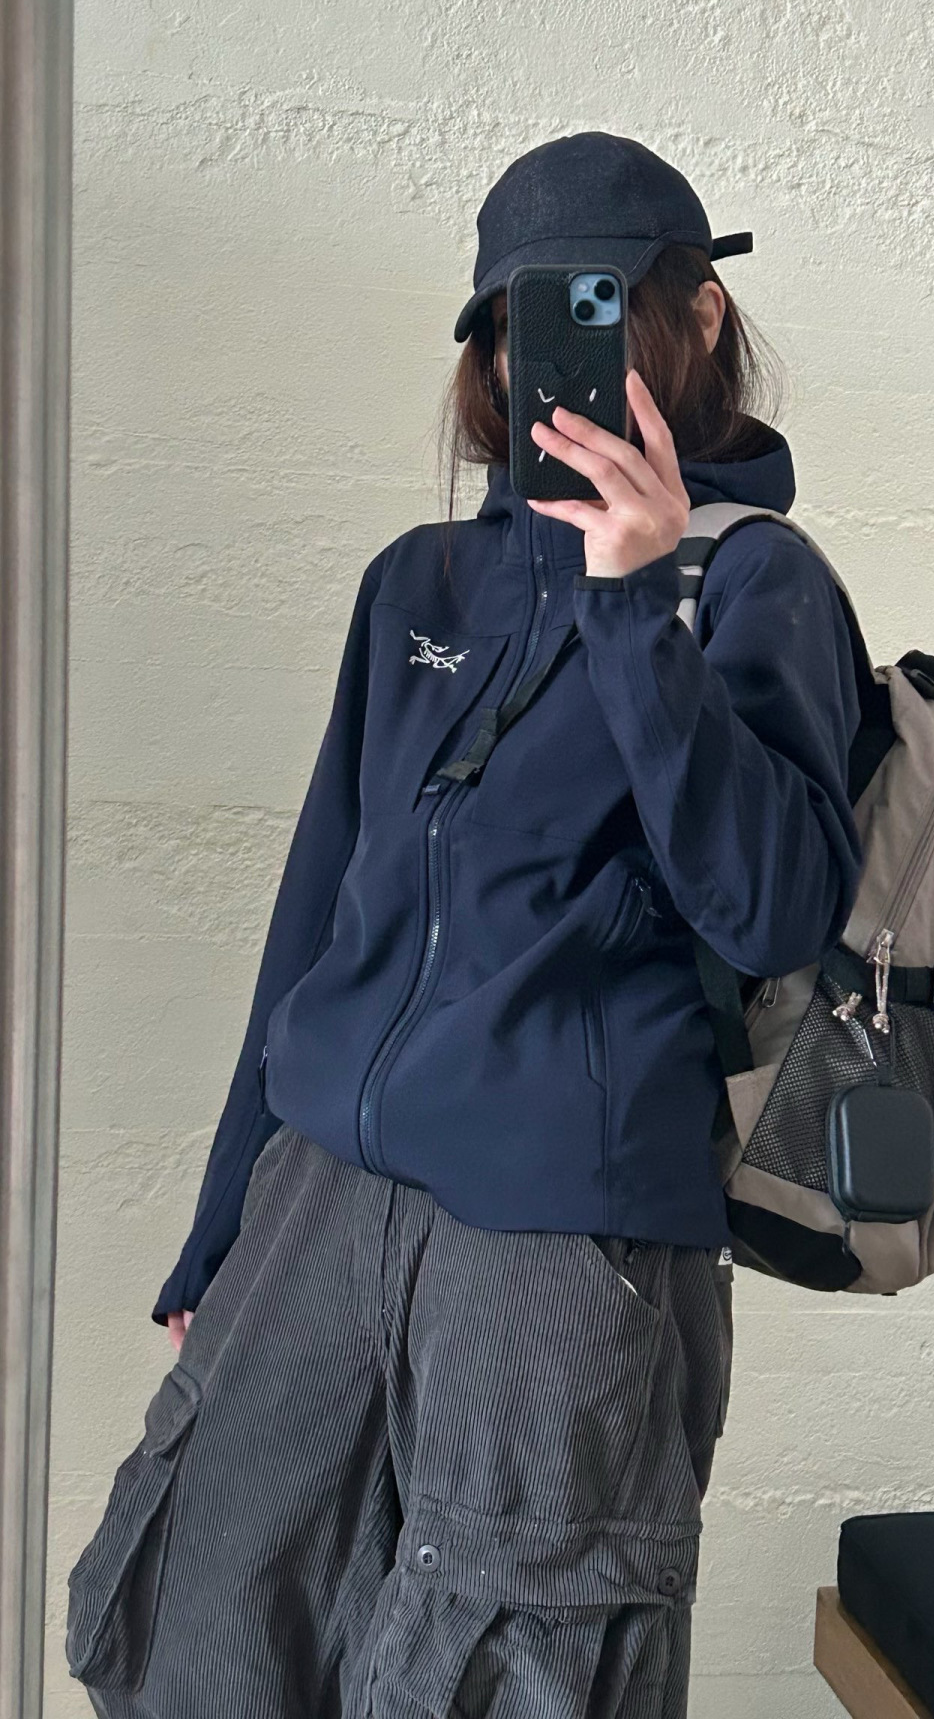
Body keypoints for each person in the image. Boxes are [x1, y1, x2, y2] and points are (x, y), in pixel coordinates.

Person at [66, 131, 863, 1719]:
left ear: (699, 313)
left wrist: (635, 608)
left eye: (588, 305)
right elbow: (319, 913)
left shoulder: (755, 587)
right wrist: (223, 1222)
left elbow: (773, 909)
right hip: (323, 1192)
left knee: (505, 1674)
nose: (538, 357)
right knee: (208, 1627)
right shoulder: (418, 584)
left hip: (560, 1234)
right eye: (512, 320)